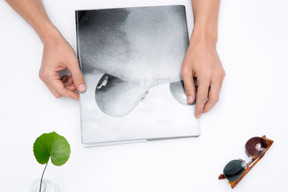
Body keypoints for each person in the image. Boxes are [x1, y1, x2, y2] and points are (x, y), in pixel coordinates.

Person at [5, 0, 225, 119]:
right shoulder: (95, 55)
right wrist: (205, 37)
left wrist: (48, 36)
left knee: (184, 95)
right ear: (104, 81)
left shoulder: (175, 75)